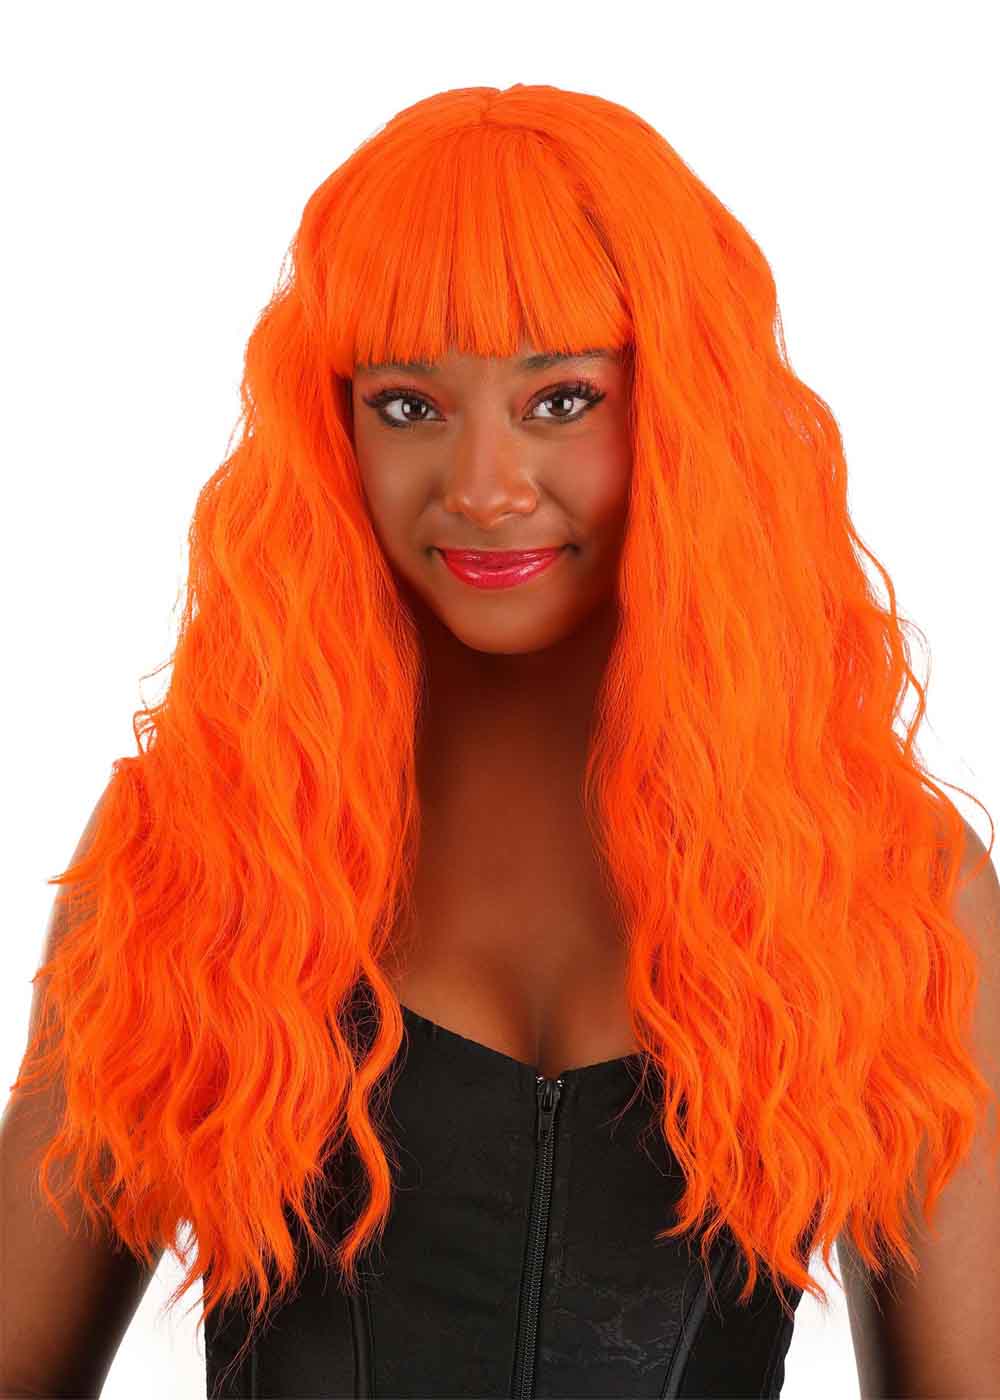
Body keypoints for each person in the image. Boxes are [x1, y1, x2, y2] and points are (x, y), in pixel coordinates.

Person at [3, 82, 999, 1400]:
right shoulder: (199, 845)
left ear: (686, 415)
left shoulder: (885, 875)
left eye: (563, 399)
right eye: (409, 406)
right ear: (332, 429)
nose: (482, 487)